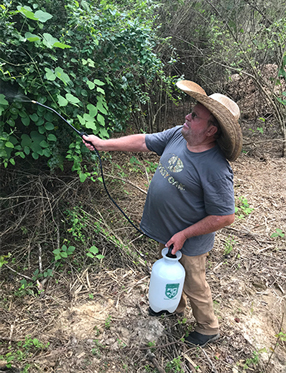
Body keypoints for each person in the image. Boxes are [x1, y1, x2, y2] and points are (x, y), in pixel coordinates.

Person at [83, 80, 242, 347]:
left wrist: (184, 234)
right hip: (168, 231)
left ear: (211, 130)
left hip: (189, 241)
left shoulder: (215, 168)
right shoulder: (179, 135)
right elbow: (144, 142)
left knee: (194, 284)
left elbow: (225, 216)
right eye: (191, 112)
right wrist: (103, 144)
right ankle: (172, 308)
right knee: (171, 272)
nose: (187, 117)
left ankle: (207, 327)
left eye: (195, 116)